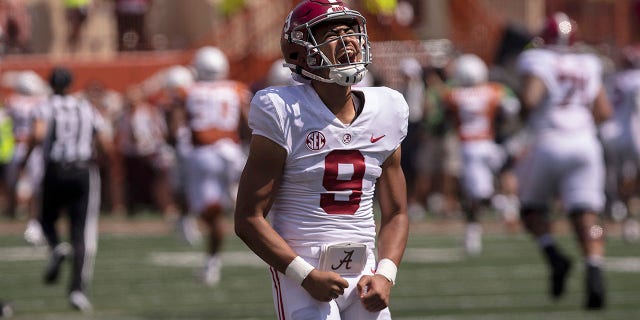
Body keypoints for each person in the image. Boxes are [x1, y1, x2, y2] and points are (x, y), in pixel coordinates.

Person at [234, 1, 410, 318]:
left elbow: (396, 211)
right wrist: (303, 275)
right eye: (331, 34)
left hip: (365, 270)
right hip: (300, 267)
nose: (348, 41)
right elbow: (248, 217)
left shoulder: (388, 108)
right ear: (300, 52)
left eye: (350, 31)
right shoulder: (282, 109)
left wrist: (386, 273)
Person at [515, 12, 612, 310]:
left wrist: (521, 118)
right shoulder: (588, 62)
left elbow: (531, 99)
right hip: (585, 144)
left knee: (531, 210)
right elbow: (604, 111)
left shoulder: (539, 61)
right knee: (585, 214)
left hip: (550, 141)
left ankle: (554, 256)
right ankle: (594, 270)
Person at [21, 66, 115, 313]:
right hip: (83, 171)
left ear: (51, 84)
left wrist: (25, 158)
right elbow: (105, 143)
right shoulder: (85, 107)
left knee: (45, 221)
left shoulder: (46, 106)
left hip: (55, 169)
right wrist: (104, 161)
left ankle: (56, 247)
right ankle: (77, 291)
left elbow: (39, 134)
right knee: (80, 231)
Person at [178, 46, 250, 286]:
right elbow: (246, 123)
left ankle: (211, 261)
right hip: (231, 153)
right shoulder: (237, 89)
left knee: (210, 214)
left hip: (204, 155)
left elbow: (176, 125)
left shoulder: (188, 91)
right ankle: (232, 196)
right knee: (219, 209)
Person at [442, 53, 520, 255]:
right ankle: (473, 234)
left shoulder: (454, 95)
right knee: (480, 192)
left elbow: (444, 114)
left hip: (470, 147)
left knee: (478, 196)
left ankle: (506, 207)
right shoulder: (495, 91)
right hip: (490, 144)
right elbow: (512, 109)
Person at [601, 45, 640, 243]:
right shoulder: (636, 80)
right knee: (630, 178)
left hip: (610, 132)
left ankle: (618, 208)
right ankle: (629, 216)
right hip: (632, 134)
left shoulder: (614, 79)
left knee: (616, 175)